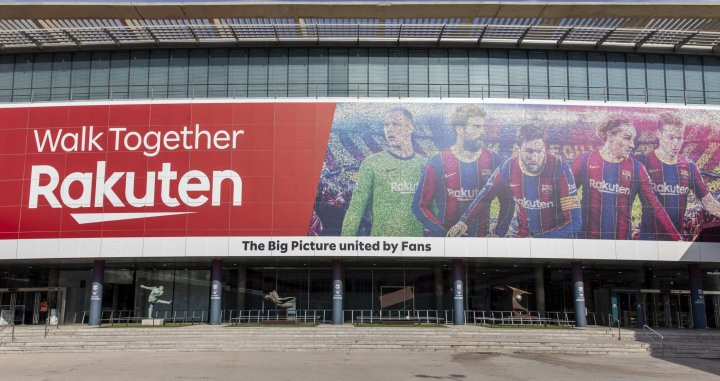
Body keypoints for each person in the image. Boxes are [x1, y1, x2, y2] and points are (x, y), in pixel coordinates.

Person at [447, 124, 581, 238]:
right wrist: (463, 221)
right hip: (523, 237)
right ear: (518, 148)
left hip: (554, 241)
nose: (535, 157)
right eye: (529, 151)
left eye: (539, 151)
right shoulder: (508, 167)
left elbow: (575, 223)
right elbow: (485, 195)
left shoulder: (560, 168)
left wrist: (538, 241)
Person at [572, 117, 681, 240]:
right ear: (610, 136)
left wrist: (677, 238)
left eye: (633, 140)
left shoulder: (637, 168)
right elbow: (565, 198)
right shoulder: (584, 160)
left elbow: (655, 207)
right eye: (627, 138)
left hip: (622, 246)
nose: (632, 145)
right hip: (586, 242)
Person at [413, 104, 508, 237]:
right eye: (476, 127)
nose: (482, 132)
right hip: (447, 243)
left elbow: (507, 200)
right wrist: (442, 232)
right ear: (459, 129)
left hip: (481, 242)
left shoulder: (494, 159)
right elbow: (419, 205)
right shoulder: (438, 161)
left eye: (483, 127)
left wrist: (499, 233)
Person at [341, 107, 426, 237]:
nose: (389, 129)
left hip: (416, 248)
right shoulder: (371, 163)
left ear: (410, 128)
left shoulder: (425, 164)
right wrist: (343, 243)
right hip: (382, 248)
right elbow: (355, 209)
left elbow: (434, 208)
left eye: (396, 124)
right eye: (386, 125)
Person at [638, 112, 720, 240]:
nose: (676, 143)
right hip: (649, 240)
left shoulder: (689, 166)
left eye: (679, 137)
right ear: (659, 134)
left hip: (676, 239)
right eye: (671, 137)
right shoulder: (643, 161)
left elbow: (709, 202)